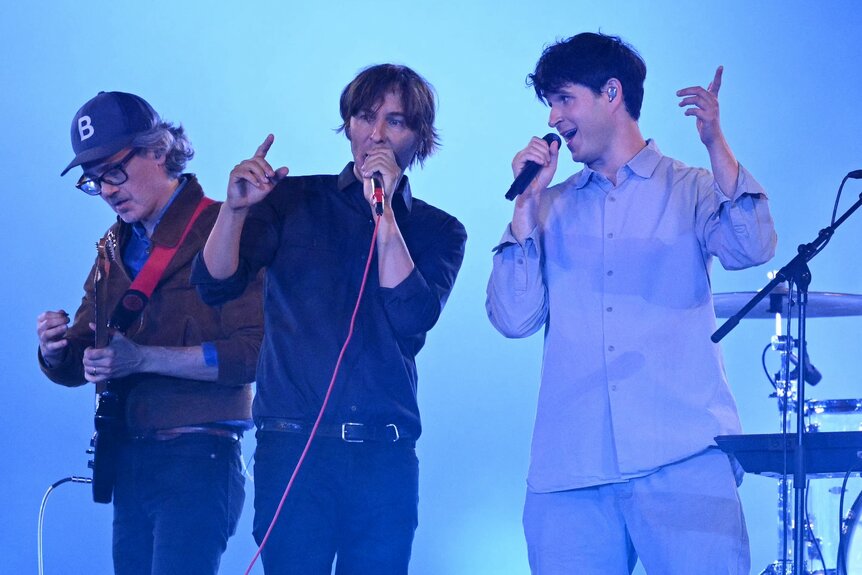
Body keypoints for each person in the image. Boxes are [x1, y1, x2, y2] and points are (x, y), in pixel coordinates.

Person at [485, 33, 777, 575]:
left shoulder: (689, 186)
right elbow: (512, 318)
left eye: (564, 99)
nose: (554, 118)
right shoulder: (549, 205)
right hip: (571, 472)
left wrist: (717, 144)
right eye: (549, 104)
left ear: (611, 92)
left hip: (685, 459)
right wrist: (524, 207)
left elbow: (752, 247)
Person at [192, 63, 466, 574]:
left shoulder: (439, 230)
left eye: (396, 122)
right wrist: (233, 212)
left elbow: (411, 319)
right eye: (365, 118)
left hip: (384, 455)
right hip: (292, 447)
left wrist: (383, 213)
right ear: (348, 125)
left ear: (419, 138)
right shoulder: (295, 201)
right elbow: (215, 284)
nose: (376, 135)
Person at [36, 91, 263, 575]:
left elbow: (254, 354)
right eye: (93, 181)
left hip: (199, 457)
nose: (107, 189)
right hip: (130, 459)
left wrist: (142, 359)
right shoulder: (112, 247)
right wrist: (56, 349)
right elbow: (88, 352)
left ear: (159, 149)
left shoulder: (225, 225)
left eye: (114, 171)